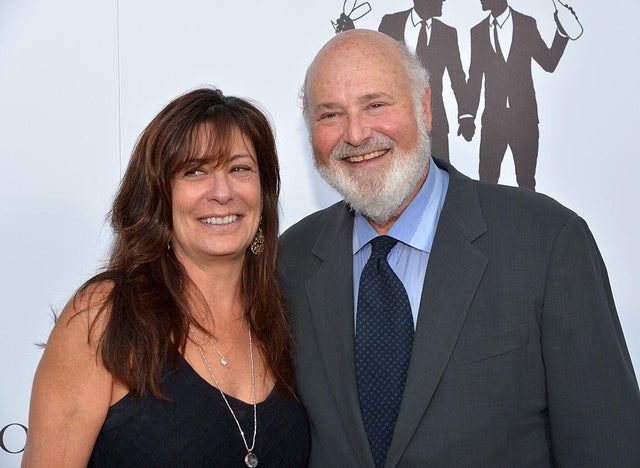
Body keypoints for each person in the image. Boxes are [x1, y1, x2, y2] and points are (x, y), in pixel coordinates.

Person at [277, 29, 640, 467]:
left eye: (375, 105)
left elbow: (606, 443)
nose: (355, 134)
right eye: (331, 114)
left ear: (425, 107)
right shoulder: (289, 261)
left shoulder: (547, 240)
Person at [22, 87, 310, 467]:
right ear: (159, 195)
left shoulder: (290, 313)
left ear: (264, 190)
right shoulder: (104, 318)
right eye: (195, 171)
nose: (222, 192)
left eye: (239, 169)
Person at [458, 0, 569, 190]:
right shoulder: (478, 31)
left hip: (524, 121)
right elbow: (475, 77)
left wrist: (562, 31)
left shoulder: (526, 24)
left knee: (526, 182)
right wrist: (468, 116)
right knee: (486, 181)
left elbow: (548, 62)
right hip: (493, 122)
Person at [379, 0, 467, 162]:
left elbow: (458, 77)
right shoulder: (390, 22)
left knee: (440, 171)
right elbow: (372, 62)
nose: (442, 2)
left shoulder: (447, 33)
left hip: (436, 119)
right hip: (390, 120)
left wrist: (465, 115)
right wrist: (349, 30)